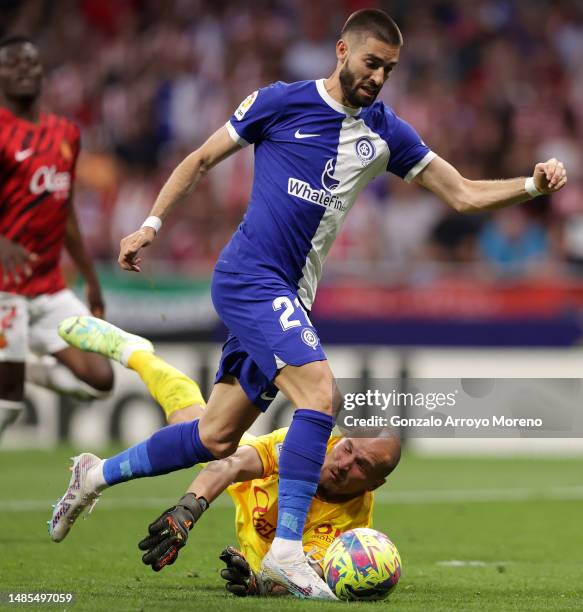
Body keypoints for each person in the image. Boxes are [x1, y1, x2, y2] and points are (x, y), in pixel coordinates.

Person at [52, 8, 568, 599]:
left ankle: (94, 475)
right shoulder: (279, 101)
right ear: (342, 50)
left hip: (290, 295)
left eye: (389, 69)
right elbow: (199, 160)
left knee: (215, 438)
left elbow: (463, 194)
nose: (378, 78)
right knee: (321, 393)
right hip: (251, 276)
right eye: (371, 63)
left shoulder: (386, 133)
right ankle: (287, 553)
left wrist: (530, 186)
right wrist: (150, 224)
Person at [47, 315, 400, 597]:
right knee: (195, 423)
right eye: (348, 449)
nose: (344, 463)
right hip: (248, 478)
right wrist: (186, 511)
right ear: (340, 440)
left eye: (361, 467)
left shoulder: (348, 530)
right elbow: (229, 465)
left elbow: (309, 574)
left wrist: (260, 585)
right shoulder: (309, 445)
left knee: (193, 419)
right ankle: (133, 352)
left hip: (264, 547)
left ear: (376, 484)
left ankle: (135, 355)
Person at [0, 36, 114, 437]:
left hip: (48, 288)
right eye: (13, 64)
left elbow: (63, 211)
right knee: (8, 405)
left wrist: (91, 279)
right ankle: (14, 368)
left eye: (31, 62)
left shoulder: (65, 133)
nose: (24, 70)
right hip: (5, 288)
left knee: (101, 379)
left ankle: (24, 365)